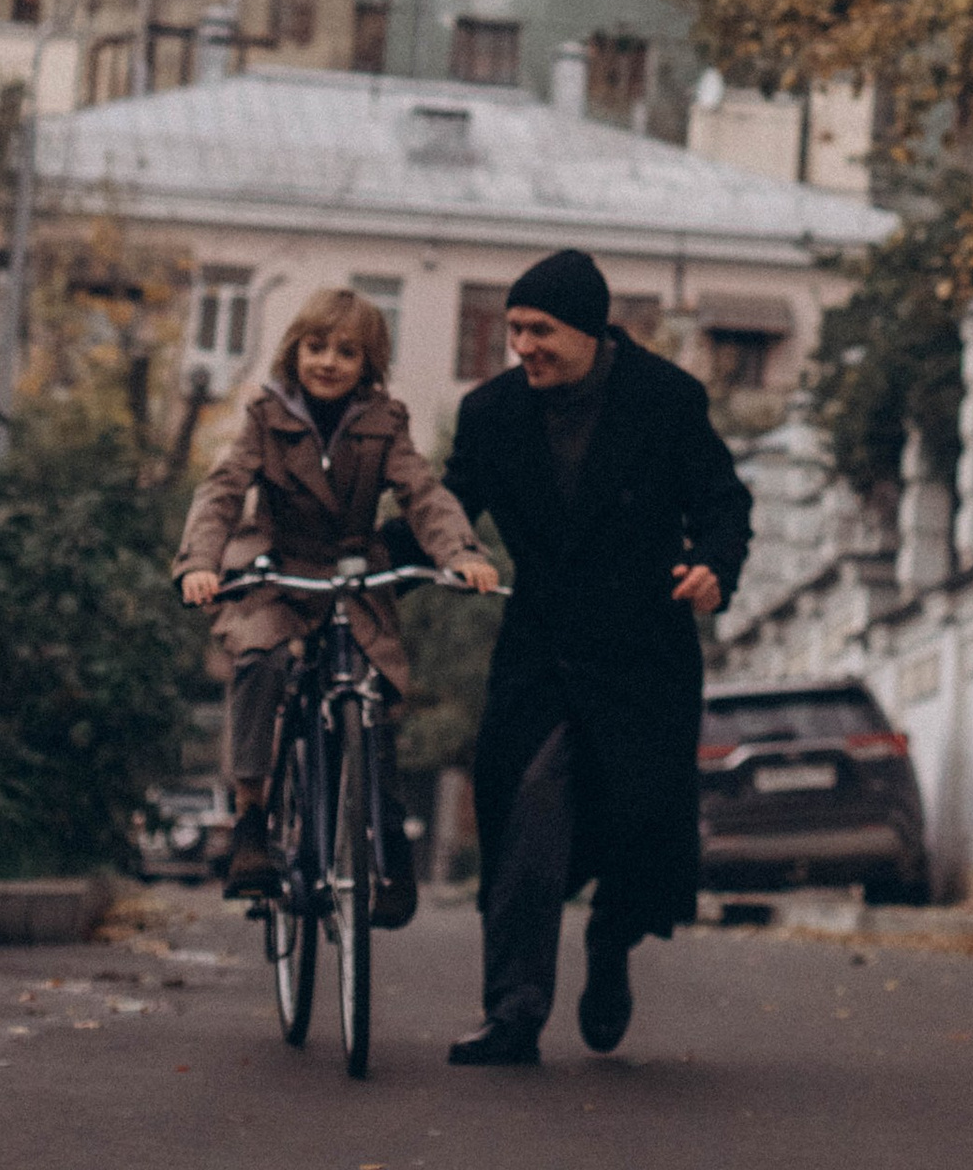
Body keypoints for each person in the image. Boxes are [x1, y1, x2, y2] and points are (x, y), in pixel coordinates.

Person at [440, 247, 751, 1067]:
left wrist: (715, 563)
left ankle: (611, 947)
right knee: (525, 822)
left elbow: (723, 501)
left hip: (643, 649)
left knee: (636, 826)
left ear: (587, 328)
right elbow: (447, 511)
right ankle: (513, 1012)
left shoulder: (665, 399)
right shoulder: (491, 413)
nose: (523, 346)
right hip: (541, 650)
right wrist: (369, 557)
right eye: (513, 329)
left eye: (539, 329)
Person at [174, 285, 499, 914]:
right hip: (276, 570)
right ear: (295, 350)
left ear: (368, 363)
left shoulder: (385, 424)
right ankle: (251, 819)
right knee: (260, 661)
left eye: (346, 352)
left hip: (350, 569)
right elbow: (221, 492)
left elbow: (423, 494)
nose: (328, 362)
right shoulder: (265, 417)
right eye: (316, 347)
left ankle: (386, 841)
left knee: (372, 689)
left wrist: (460, 553)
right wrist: (199, 564)